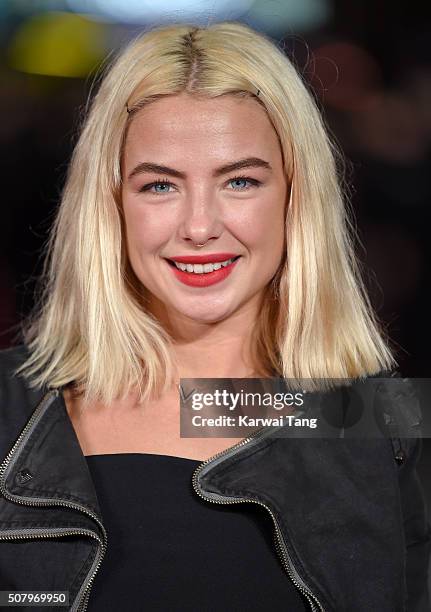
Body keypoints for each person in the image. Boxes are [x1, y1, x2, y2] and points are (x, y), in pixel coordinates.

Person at [0, 20, 429, 612]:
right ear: (111, 203)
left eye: (240, 181)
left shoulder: (385, 416)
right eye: (159, 187)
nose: (200, 227)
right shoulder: (8, 410)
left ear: (295, 196)